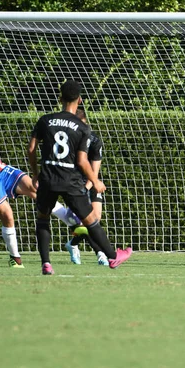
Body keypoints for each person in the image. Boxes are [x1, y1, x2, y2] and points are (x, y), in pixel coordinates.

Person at [0, 96, 83, 268]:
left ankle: (72, 222)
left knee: (36, 188)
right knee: (7, 216)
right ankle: (15, 258)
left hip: (2, 171)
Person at [27, 80, 131, 275]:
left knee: (43, 219)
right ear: (80, 100)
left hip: (48, 177)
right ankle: (112, 255)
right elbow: (83, 161)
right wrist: (96, 181)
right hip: (70, 181)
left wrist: (35, 174)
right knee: (91, 220)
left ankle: (46, 264)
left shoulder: (45, 120)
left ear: (60, 98)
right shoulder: (83, 128)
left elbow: (31, 149)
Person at [64, 106, 109, 266]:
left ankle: (73, 244)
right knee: (86, 223)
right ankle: (101, 254)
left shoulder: (95, 141)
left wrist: (88, 187)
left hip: (91, 181)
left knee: (95, 219)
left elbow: (94, 171)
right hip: (73, 183)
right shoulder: (66, 141)